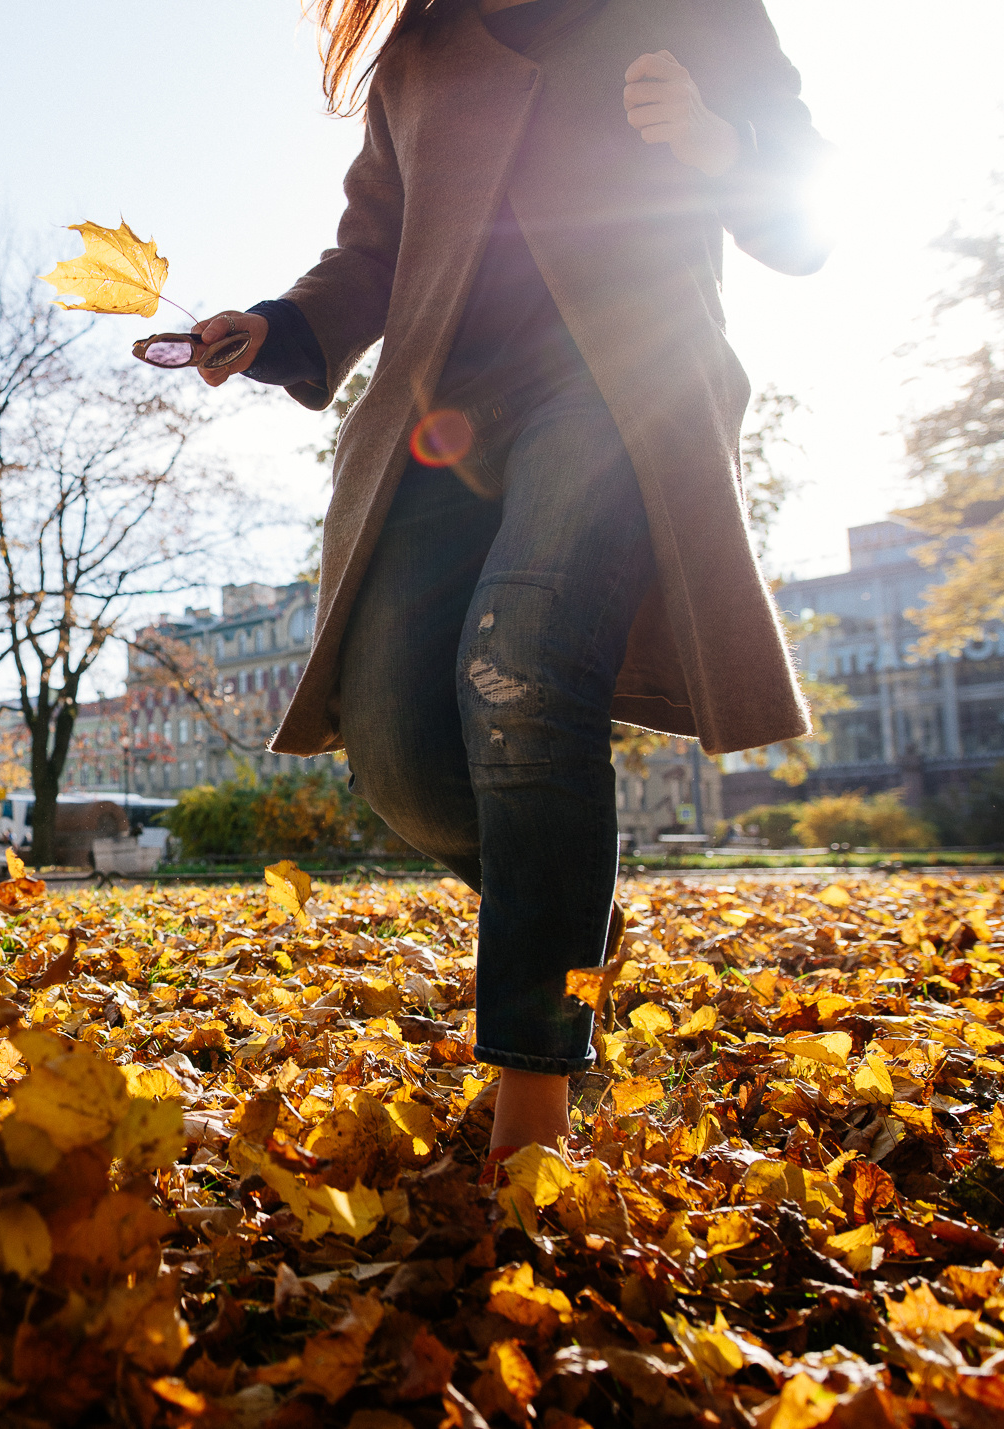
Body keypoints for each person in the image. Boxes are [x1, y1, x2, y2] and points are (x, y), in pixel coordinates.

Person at [189, 0, 828, 1158]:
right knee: (396, 752)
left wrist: (710, 145)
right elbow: (370, 254)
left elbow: (804, 212)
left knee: (522, 672)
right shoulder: (422, 55)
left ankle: (531, 1095)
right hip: (443, 413)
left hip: (615, 383)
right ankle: (569, 920)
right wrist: (277, 327)